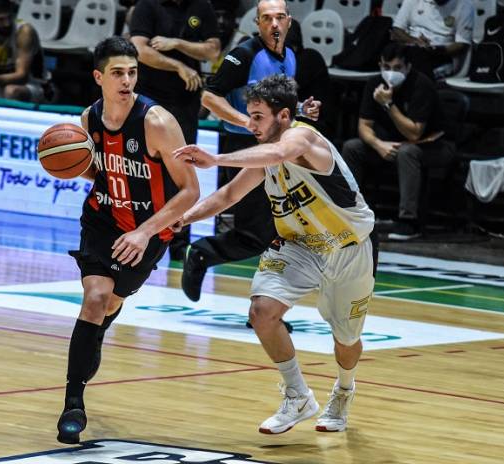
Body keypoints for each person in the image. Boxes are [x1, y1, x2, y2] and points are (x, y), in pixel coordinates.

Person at [173, 74, 376, 434]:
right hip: (299, 246)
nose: (250, 124)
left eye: (257, 117)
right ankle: (297, 396)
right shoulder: (265, 152)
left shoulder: (302, 138)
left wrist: (216, 158)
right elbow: (228, 195)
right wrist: (183, 218)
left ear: (283, 116)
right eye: (249, 115)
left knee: (346, 340)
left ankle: (344, 390)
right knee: (261, 312)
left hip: (346, 248)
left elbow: (282, 152)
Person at [56, 36, 200, 445]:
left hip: (149, 228)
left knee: (111, 303)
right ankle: (72, 405)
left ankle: (98, 331)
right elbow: (93, 169)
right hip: (102, 219)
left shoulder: (157, 123)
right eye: (117, 73)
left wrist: (143, 232)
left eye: (132, 73)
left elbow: (190, 191)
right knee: (95, 297)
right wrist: (67, 164)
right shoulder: (88, 119)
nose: (126, 81)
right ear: (98, 77)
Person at [182, 0, 321, 302]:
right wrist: (248, 122)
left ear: (289, 22)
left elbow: (276, 107)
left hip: (278, 149)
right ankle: (203, 253)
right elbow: (209, 97)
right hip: (245, 145)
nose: (274, 24)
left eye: (280, 17)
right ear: (257, 23)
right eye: (267, 18)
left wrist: (300, 109)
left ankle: (266, 310)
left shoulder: (290, 56)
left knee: (281, 232)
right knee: (255, 234)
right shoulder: (243, 54)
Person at [130, 0, 222, 260]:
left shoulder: (201, 6)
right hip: (147, 99)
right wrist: (178, 65)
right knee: (141, 169)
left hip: (184, 102)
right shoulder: (147, 5)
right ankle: (137, 233)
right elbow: (139, 50)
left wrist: (177, 44)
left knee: (182, 172)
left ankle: (179, 244)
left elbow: (213, 51)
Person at [341, 43, 453, 240]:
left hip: (433, 145)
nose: (391, 73)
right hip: (390, 144)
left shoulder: (421, 85)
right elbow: (364, 126)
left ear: (408, 67)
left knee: (407, 152)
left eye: (397, 68)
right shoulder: (374, 83)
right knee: (352, 147)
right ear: (380, 65)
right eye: (386, 67)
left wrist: (388, 104)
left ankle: (409, 221)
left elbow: (414, 134)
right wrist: (378, 145)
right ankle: (352, 214)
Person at [391, 0, 474, 80]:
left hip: (441, 55)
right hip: (411, 48)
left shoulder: (464, 5)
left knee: (416, 63)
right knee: (391, 51)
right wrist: (415, 41)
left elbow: (462, 44)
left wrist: (435, 49)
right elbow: (397, 29)